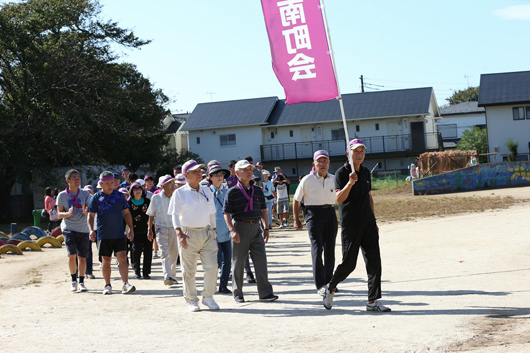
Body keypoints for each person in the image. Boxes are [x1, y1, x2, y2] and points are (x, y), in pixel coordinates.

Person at [322, 139, 390, 312]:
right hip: (351, 225)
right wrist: (350, 183)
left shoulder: (366, 172)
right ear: (348, 154)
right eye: (356, 151)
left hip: (368, 223)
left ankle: (372, 301)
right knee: (349, 263)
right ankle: (330, 287)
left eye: (362, 151)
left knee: (374, 262)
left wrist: (374, 221)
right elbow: (339, 199)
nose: (360, 154)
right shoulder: (341, 174)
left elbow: (369, 197)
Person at [223, 159, 279, 303]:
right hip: (240, 227)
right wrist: (232, 230)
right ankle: (238, 293)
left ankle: (265, 293)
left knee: (261, 261)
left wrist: (266, 228)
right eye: (245, 169)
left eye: (251, 169)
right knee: (238, 262)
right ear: (237, 173)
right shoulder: (232, 192)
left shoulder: (258, 190)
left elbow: (263, 210)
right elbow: (227, 213)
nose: (249, 172)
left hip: (256, 228)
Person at [168, 160, 219, 312]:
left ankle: (208, 297)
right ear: (186, 175)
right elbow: (174, 214)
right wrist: (179, 232)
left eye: (200, 171)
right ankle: (191, 299)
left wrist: (214, 231)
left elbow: (212, 213)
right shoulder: (179, 193)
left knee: (212, 267)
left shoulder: (207, 190)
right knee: (189, 270)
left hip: (206, 232)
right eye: (195, 171)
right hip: (187, 233)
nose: (199, 174)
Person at [293, 150, 338, 297]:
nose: (322, 164)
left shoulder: (334, 178)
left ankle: (329, 281)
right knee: (317, 248)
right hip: (313, 214)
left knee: (330, 248)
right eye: (319, 161)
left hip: (330, 213)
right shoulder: (307, 179)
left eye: (325, 161)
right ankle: (320, 284)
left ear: (329, 163)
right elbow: (296, 199)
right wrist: (296, 219)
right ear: (314, 164)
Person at [87, 171, 136, 295]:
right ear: (101, 184)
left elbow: (127, 213)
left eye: (112, 183)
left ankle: (125, 284)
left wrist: (130, 228)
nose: (110, 185)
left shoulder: (119, 196)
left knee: (123, 258)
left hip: (119, 233)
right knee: (106, 260)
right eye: (107, 183)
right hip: (103, 234)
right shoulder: (96, 198)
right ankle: (107, 285)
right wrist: (91, 230)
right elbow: (90, 216)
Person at [56, 169, 91, 292]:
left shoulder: (85, 194)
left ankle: (81, 282)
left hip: (83, 228)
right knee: (72, 255)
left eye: (78, 178)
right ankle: (73, 281)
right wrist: (67, 213)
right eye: (74, 178)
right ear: (68, 181)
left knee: (82, 257)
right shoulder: (62, 195)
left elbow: (90, 209)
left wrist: (87, 212)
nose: (77, 180)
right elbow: (59, 213)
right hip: (68, 228)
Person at [146, 175, 179, 286]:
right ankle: (167, 276)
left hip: (175, 229)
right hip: (161, 228)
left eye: (173, 183)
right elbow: (151, 214)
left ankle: (172, 276)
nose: (173, 185)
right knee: (164, 253)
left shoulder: (176, 197)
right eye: (170, 183)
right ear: (163, 186)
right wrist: (150, 229)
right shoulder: (156, 198)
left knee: (174, 254)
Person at [208, 164, 232, 294]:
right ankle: (211, 284)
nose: (220, 177)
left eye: (221, 175)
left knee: (227, 260)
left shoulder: (227, 192)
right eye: (216, 175)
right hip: (212, 233)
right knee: (215, 261)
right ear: (210, 177)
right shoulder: (206, 192)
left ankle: (223, 285)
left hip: (226, 232)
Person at [128, 182, 153, 279]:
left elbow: (152, 215)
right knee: (135, 251)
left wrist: (150, 228)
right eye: (135, 189)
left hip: (147, 230)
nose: (138, 191)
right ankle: (136, 271)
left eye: (139, 189)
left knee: (148, 251)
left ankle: (146, 273)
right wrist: (129, 229)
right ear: (132, 191)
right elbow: (126, 217)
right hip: (135, 230)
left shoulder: (147, 201)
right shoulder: (129, 203)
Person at [83, 185, 96, 279]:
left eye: (90, 192)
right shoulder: (79, 199)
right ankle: (78, 272)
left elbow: (93, 216)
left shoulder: (93, 200)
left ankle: (89, 271)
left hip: (88, 229)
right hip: (78, 228)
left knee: (88, 250)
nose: (88, 193)